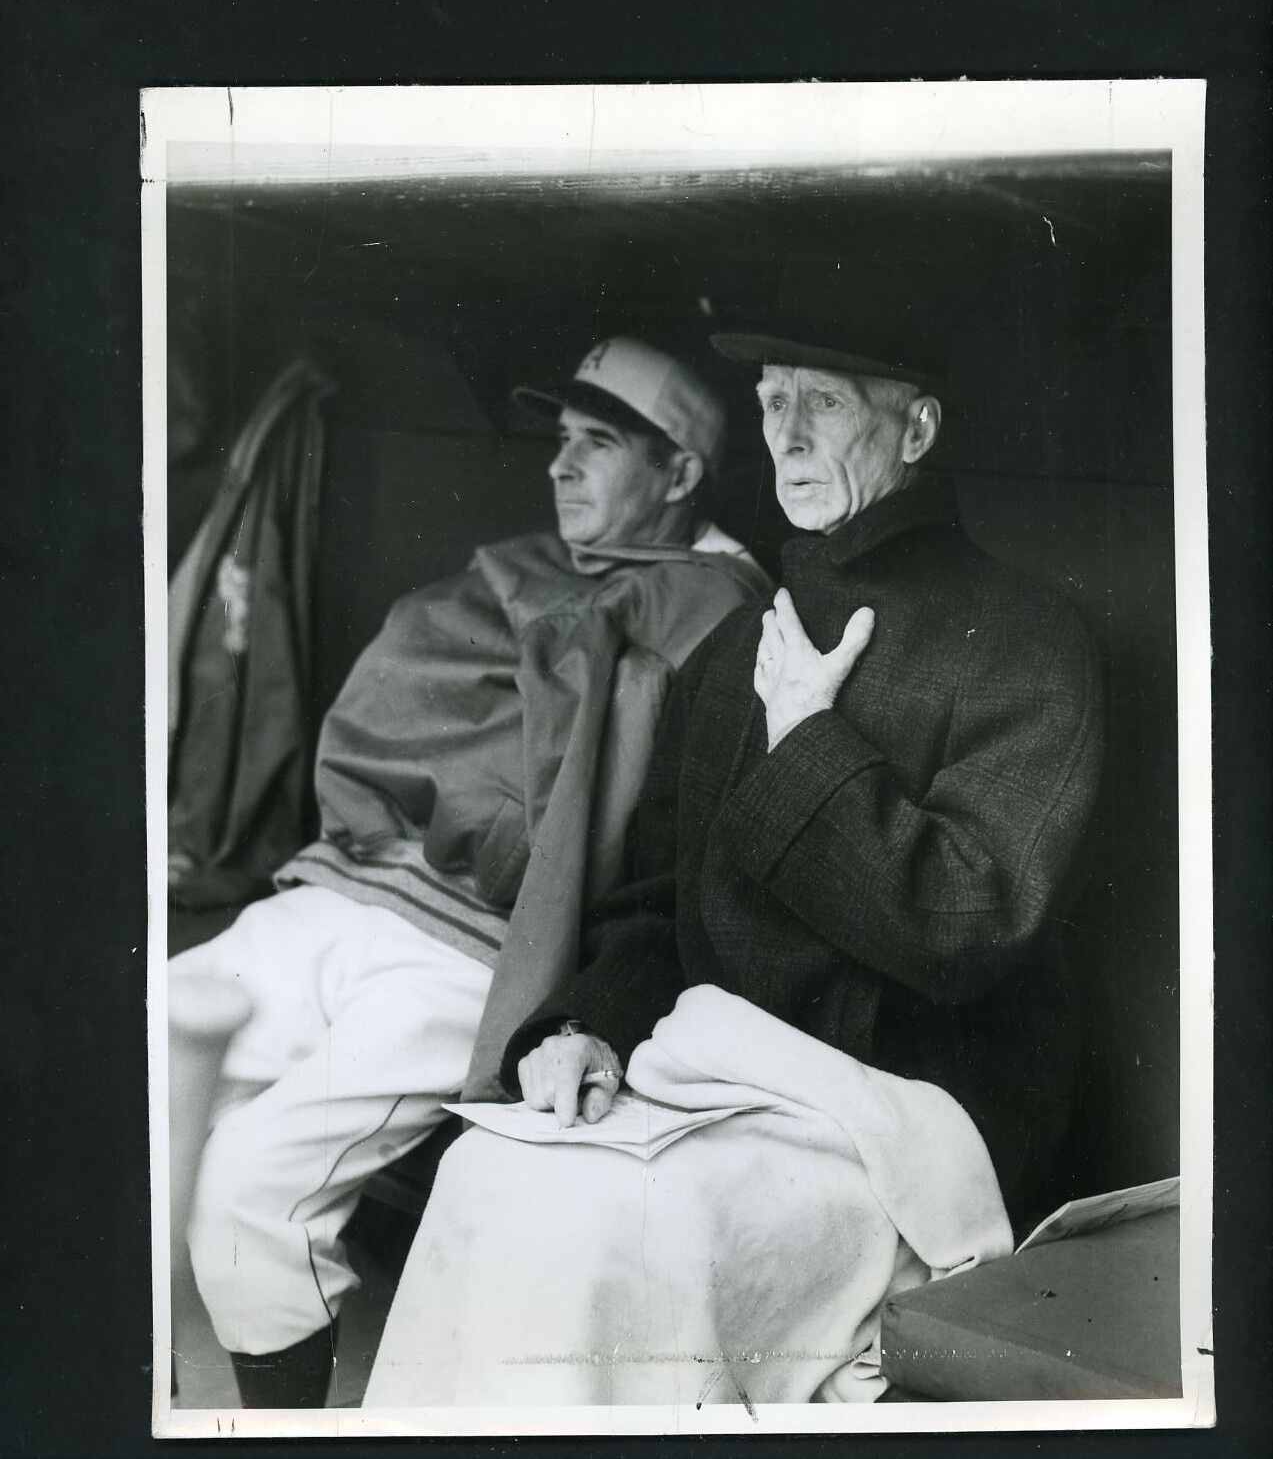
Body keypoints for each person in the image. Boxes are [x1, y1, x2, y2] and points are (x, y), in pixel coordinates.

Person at [364, 318, 1105, 1408]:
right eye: (770, 400)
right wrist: (587, 1027)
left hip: (906, 1109)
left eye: (826, 403)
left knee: (627, 1230)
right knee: (488, 1167)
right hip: (713, 1078)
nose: (787, 435)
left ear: (918, 430)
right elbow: (656, 895)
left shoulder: (1028, 639)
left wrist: (811, 743)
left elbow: (968, 925)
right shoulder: (738, 638)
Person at [169, 336, 771, 1408]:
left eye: (598, 443)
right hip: (342, 890)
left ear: (680, 475)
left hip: (469, 954)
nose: (560, 466)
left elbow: (612, 829)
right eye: (558, 441)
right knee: (132, 1073)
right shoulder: (524, 570)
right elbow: (396, 700)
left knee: (251, 1185)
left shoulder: (717, 616)